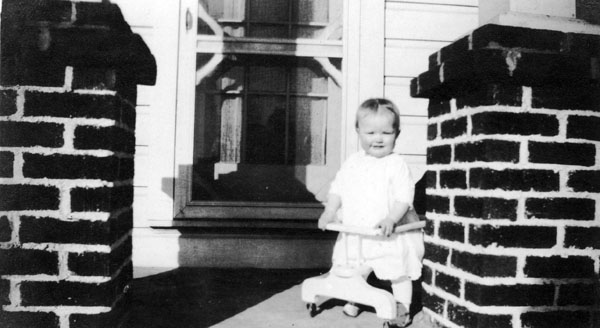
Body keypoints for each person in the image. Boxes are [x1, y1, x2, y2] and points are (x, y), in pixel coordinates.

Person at [317, 98, 424, 328]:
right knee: (354, 268)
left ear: (397, 133)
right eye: (371, 132)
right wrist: (330, 212)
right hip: (357, 230)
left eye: (386, 132)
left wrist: (391, 218)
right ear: (358, 131)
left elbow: (403, 197)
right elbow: (338, 189)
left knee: (397, 272)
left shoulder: (396, 164)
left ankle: (401, 309)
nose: (378, 138)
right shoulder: (352, 162)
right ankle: (356, 299)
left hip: (386, 232)